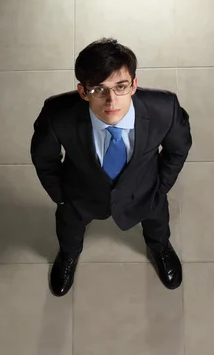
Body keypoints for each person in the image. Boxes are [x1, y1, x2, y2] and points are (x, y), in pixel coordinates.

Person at [30, 38, 192, 297]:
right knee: (69, 228)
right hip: (81, 192)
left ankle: (160, 248)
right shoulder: (57, 114)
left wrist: (160, 187)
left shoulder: (165, 109)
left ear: (133, 84)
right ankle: (69, 255)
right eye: (98, 89)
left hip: (145, 190)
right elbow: (44, 157)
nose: (111, 100)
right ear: (83, 92)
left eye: (120, 86)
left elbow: (178, 149)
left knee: (158, 222)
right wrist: (61, 196)